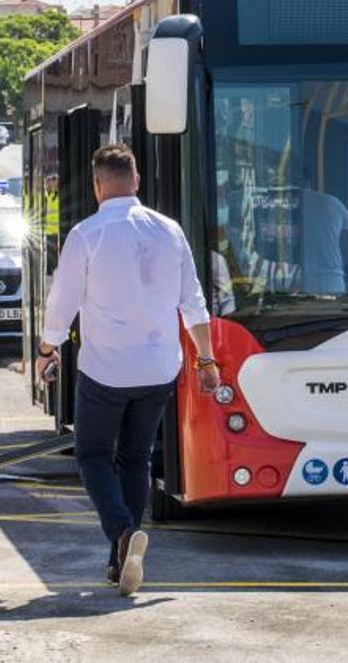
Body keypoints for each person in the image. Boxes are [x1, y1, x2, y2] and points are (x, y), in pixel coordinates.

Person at [35, 144, 220, 596]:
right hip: (159, 369)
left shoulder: (87, 234)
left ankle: (121, 533)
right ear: (136, 181)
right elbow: (193, 301)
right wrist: (207, 359)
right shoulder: (170, 231)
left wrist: (46, 348)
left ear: (99, 185)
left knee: (93, 456)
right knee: (135, 458)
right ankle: (122, 560)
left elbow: (63, 301)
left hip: (106, 370)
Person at [300, 184, 348, 294]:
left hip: (300, 280)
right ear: (311, 182)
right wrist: (334, 265)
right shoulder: (335, 204)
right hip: (332, 279)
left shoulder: (288, 206)